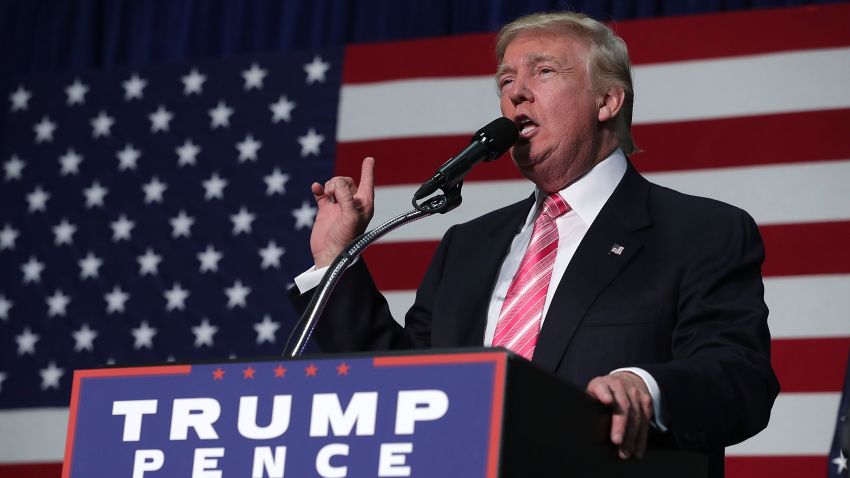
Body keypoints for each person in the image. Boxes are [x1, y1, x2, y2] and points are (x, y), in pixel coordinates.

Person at [291, 11, 779, 476]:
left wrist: (646, 389)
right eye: (505, 82)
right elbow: (401, 386)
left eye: (543, 71)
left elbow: (739, 377)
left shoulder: (699, 231)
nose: (516, 94)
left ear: (608, 101)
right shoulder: (467, 245)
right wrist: (335, 261)